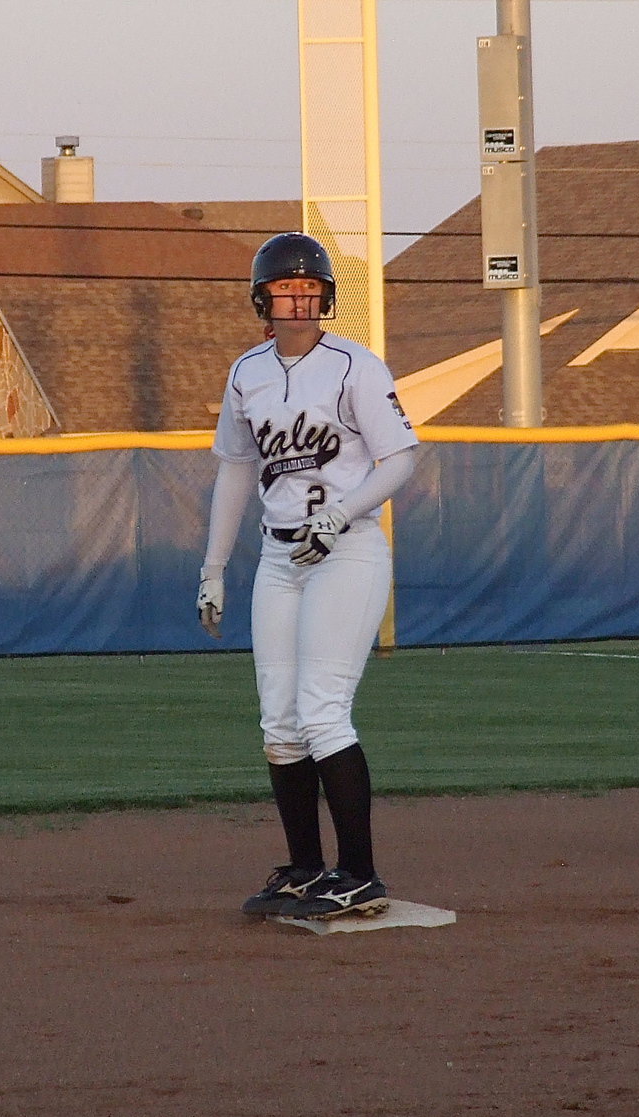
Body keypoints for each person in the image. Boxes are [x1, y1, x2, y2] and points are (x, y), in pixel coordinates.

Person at [196, 232, 418, 919]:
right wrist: (213, 569)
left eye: (309, 290)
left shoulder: (355, 365)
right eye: (285, 290)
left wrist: (343, 512)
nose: (297, 301)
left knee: (322, 711)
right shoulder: (247, 372)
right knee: (279, 723)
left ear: (326, 299)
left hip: (345, 549)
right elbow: (236, 470)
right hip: (278, 557)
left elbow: (402, 457)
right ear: (261, 299)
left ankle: (360, 874)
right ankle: (304, 867)